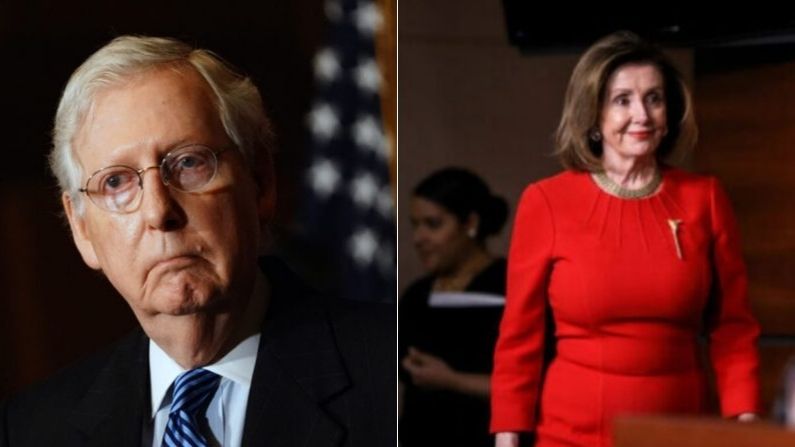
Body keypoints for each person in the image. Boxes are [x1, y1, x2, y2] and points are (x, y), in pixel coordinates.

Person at [0, 36, 394, 446]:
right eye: (116, 181)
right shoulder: (31, 430)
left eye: (189, 163)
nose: (158, 212)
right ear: (81, 228)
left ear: (260, 183)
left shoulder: (394, 372)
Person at [491, 31, 760, 447]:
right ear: (593, 114)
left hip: (683, 430)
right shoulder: (546, 202)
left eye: (654, 98)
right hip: (572, 435)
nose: (643, 115)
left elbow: (733, 329)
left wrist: (745, 423)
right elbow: (518, 340)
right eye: (622, 100)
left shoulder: (703, 197)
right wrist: (507, 439)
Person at [400, 167, 510, 447]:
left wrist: (452, 380)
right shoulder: (417, 295)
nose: (419, 238)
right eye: (415, 225)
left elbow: (537, 385)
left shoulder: (510, 287)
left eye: (433, 224)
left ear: (470, 223)